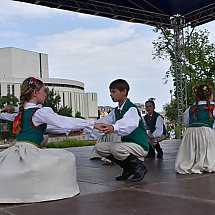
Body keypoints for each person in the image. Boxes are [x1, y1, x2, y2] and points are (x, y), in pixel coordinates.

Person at [0, 77, 105, 203]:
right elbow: (62, 121)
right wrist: (91, 123)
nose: (45, 94)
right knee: (66, 158)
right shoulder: (39, 112)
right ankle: (49, 190)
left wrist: (70, 130)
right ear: (35, 93)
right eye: (44, 91)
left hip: (16, 149)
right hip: (29, 151)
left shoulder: (22, 114)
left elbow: (49, 127)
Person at [85, 79, 149, 182]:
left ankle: (139, 167)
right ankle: (128, 168)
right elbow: (105, 121)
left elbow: (129, 124)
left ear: (123, 92)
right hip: (127, 145)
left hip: (140, 145)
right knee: (100, 147)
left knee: (116, 148)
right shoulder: (116, 111)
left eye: (114, 91)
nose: (111, 94)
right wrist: (89, 126)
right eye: (110, 92)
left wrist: (114, 127)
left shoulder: (131, 108)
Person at [175, 84, 215, 174]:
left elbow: (186, 123)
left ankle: (192, 163)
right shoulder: (213, 107)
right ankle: (206, 164)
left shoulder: (191, 108)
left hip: (190, 132)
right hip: (206, 131)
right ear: (210, 95)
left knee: (191, 150)